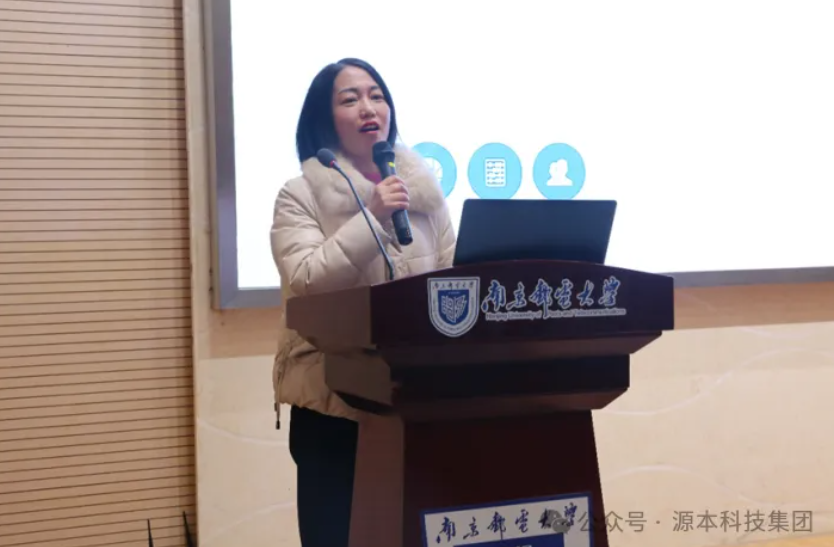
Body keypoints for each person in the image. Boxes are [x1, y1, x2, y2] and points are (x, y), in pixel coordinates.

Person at [269, 58, 456, 547]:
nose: (369, 108)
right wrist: (372, 215)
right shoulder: (299, 196)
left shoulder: (423, 196)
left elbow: (456, 282)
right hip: (335, 408)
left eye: (377, 95)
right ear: (324, 120)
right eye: (350, 99)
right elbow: (307, 280)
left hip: (415, 404)